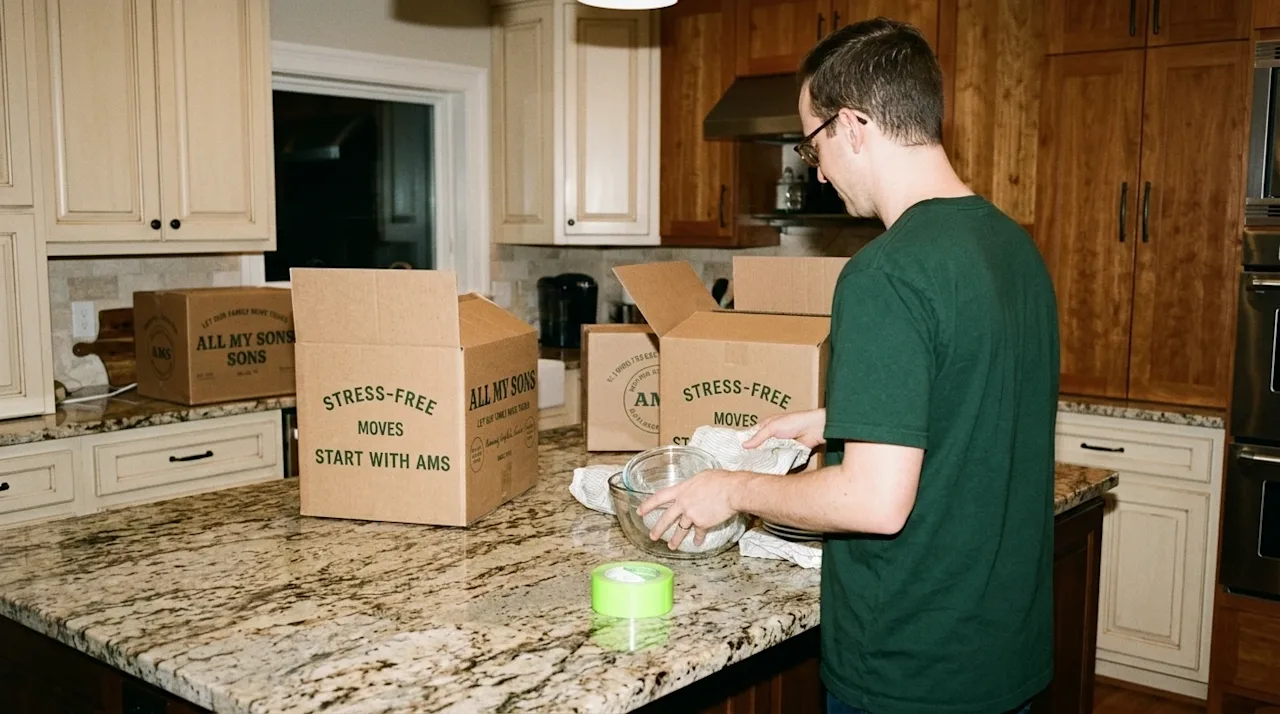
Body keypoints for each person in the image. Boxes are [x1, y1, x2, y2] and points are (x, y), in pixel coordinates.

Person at [636, 16, 1061, 714]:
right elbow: (980, 400)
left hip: (912, 667)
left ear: (854, 125)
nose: (819, 170)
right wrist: (845, 418)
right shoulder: (1011, 246)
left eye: (813, 144)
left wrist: (732, 488)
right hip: (1004, 650)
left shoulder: (885, 274)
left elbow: (874, 503)